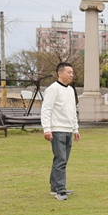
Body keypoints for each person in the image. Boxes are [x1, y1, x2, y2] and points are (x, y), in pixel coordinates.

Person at [40, 63, 80, 201]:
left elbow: (72, 110)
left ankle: (54, 187)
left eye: (72, 72)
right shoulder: (53, 89)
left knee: (62, 159)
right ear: (60, 73)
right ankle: (60, 190)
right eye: (69, 72)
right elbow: (46, 109)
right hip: (57, 130)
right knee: (60, 159)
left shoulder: (70, 90)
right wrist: (47, 129)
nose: (71, 75)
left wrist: (75, 128)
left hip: (68, 129)